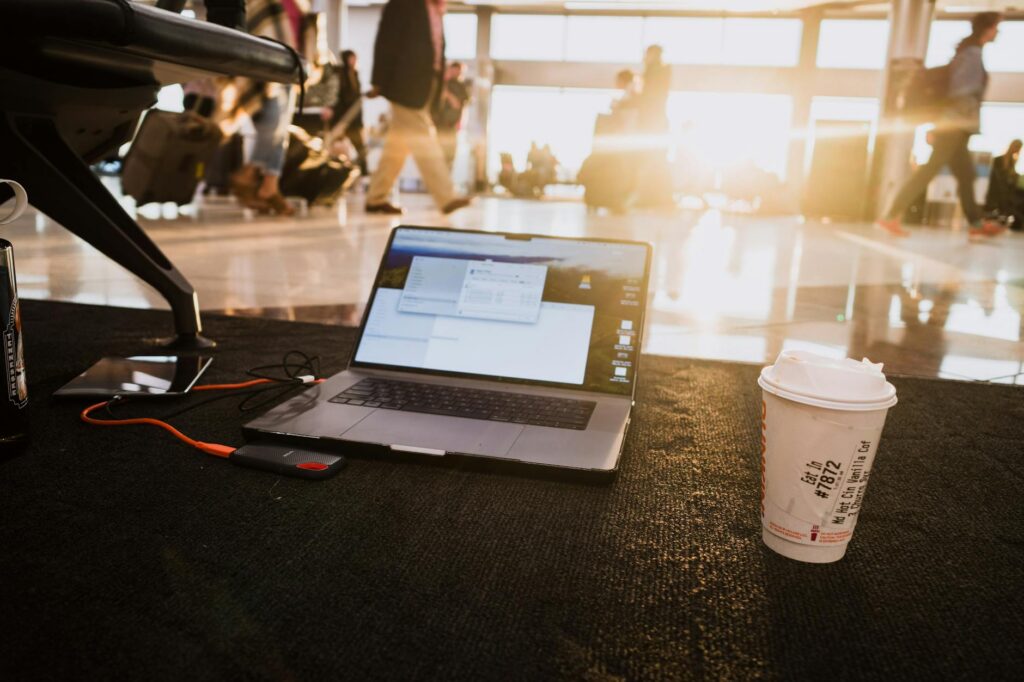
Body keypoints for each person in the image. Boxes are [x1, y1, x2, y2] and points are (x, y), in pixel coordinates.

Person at [877, 12, 1004, 239]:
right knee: (929, 170)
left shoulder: (970, 52)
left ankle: (975, 224)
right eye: (996, 27)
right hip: (954, 124)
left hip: (956, 124)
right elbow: (959, 91)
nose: (998, 32)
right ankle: (890, 216)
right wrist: (941, 126)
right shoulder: (972, 54)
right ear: (987, 28)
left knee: (966, 175)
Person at [364, 0, 471, 215]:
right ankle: (446, 196)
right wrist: (379, 80)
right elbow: (386, 40)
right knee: (424, 137)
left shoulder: (436, 9)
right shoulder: (405, 3)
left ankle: (376, 197)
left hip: (426, 85)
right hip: (405, 84)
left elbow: (436, 51)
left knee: (397, 146)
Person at [226, 0, 316, 216]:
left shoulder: (300, 4)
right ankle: (247, 175)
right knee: (273, 122)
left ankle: (269, 185)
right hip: (268, 69)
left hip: (292, 70)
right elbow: (255, 28)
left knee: (282, 131)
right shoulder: (262, 2)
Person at [322, 50, 368, 176]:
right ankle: (330, 173)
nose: (354, 61)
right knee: (331, 146)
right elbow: (335, 94)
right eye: (352, 58)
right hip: (340, 117)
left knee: (360, 148)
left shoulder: (355, 74)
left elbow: (356, 99)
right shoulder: (339, 73)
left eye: (355, 58)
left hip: (353, 119)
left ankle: (363, 174)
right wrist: (329, 108)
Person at [433, 61, 472, 169]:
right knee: (436, 155)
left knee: (449, 156)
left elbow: (461, 105)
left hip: (451, 126)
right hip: (438, 124)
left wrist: (461, 122)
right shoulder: (441, 83)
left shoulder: (461, 87)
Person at [985, 139, 1022, 229]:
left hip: (1006, 190)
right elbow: (995, 177)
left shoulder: (1012, 162)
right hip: (997, 189)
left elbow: (1011, 178)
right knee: (1011, 197)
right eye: (1017, 147)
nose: (1018, 150)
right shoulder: (999, 159)